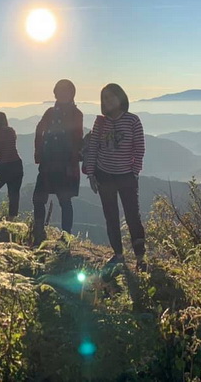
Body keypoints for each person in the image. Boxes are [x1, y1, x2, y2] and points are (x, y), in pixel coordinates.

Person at [83, 83, 147, 271]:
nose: (107, 101)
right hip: (104, 175)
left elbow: (139, 148)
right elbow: (94, 147)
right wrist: (91, 173)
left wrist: (135, 172)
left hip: (126, 176)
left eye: (111, 96)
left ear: (121, 98)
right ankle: (118, 255)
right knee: (110, 216)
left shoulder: (132, 120)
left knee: (132, 216)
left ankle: (140, 257)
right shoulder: (100, 122)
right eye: (104, 98)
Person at [32, 79, 83, 245]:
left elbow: (78, 138)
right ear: (55, 93)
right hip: (48, 160)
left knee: (65, 200)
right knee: (38, 198)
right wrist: (38, 150)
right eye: (59, 91)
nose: (62, 94)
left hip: (66, 162)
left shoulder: (77, 114)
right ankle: (38, 232)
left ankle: (65, 238)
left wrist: (74, 162)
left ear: (72, 94)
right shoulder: (49, 112)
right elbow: (39, 129)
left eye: (66, 91)